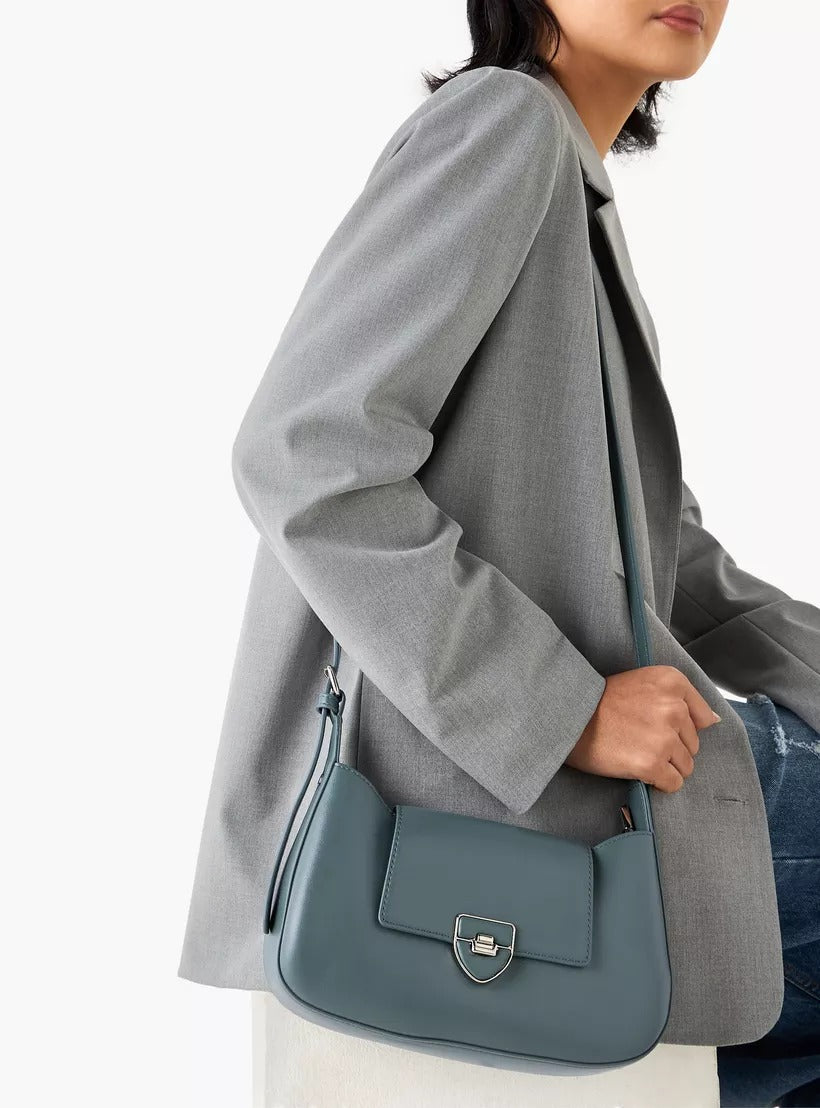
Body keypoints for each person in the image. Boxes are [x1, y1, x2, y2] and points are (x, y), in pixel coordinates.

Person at [179, 1, 820, 1103]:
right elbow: (308, 454)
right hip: (479, 801)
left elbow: (659, 549)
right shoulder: (505, 126)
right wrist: (562, 711)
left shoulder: (567, 179)